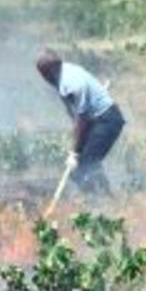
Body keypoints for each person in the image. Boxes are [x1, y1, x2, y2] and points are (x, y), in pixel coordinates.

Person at [36, 48, 125, 195]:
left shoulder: (72, 83)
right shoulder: (63, 73)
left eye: (44, 74)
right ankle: (106, 198)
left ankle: (101, 203)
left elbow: (82, 120)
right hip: (98, 119)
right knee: (88, 164)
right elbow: (75, 112)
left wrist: (75, 153)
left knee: (82, 169)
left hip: (107, 121)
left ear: (49, 71)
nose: (44, 78)